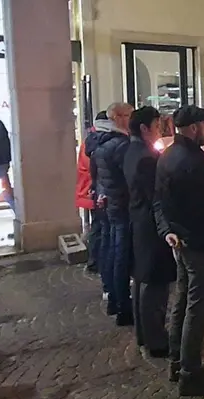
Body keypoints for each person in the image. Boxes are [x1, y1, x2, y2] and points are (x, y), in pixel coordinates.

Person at [155, 105, 204, 397]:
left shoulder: (168, 155)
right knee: (197, 309)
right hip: (197, 244)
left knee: (182, 302)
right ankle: (190, 373)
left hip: (180, 242)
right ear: (195, 128)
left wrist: (168, 231)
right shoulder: (192, 162)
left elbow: (158, 200)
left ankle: (178, 362)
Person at [123, 106, 174, 356]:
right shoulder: (145, 158)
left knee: (143, 281)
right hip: (150, 226)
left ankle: (145, 335)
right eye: (156, 127)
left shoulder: (131, 151)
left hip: (139, 222)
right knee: (154, 283)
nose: (159, 132)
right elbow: (155, 195)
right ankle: (156, 339)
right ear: (144, 129)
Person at [85, 102, 134, 325]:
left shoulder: (100, 142)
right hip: (120, 204)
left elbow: (97, 175)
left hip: (108, 202)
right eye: (129, 115)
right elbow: (129, 179)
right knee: (120, 253)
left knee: (111, 248)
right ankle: (122, 303)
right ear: (118, 117)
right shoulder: (120, 145)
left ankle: (113, 296)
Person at [76, 112, 106, 274]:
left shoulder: (91, 139)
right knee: (98, 228)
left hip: (88, 190)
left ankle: (94, 259)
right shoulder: (95, 141)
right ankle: (94, 260)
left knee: (97, 227)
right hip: (91, 190)